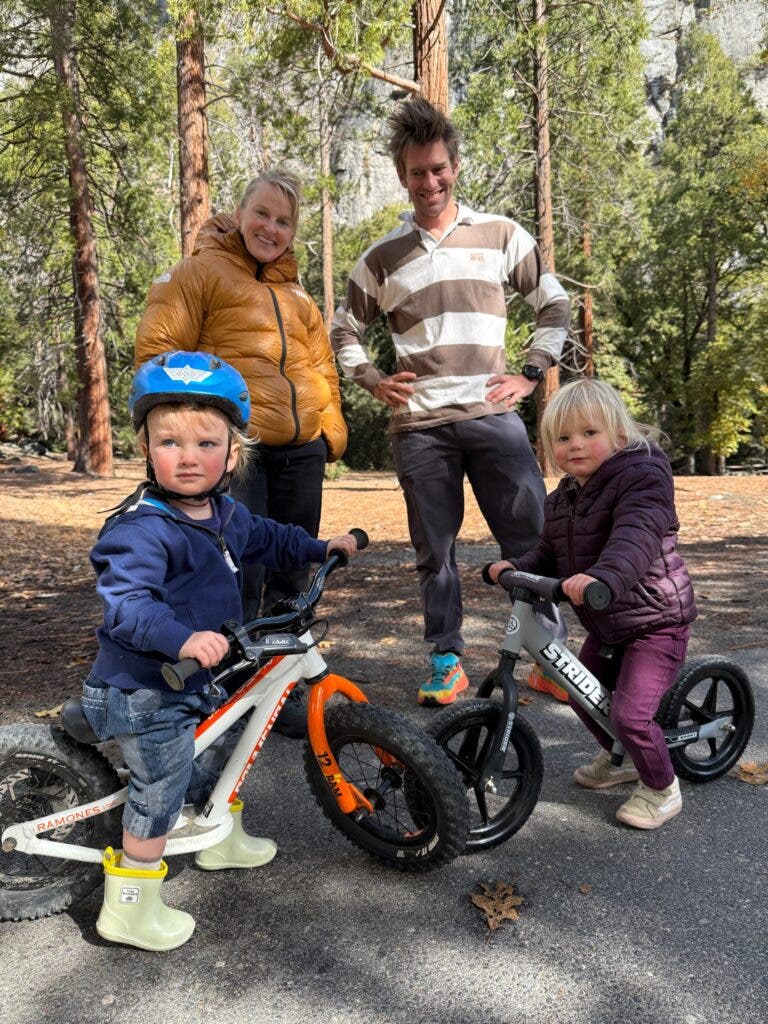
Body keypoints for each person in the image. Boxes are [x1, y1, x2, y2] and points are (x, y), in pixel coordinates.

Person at [81, 351, 358, 950]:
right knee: (161, 785)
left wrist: (320, 546)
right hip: (146, 686)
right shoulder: (139, 527)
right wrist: (180, 637)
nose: (188, 456)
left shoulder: (224, 512)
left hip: (199, 676)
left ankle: (216, 837)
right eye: (169, 442)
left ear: (234, 453)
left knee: (229, 741)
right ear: (146, 449)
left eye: (206, 443)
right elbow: (128, 604)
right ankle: (128, 906)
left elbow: (269, 538)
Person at [331, 97, 570, 706]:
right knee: (434, 552)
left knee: (531, 542)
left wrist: (531, 373)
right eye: (417, 172)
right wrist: (371, 380)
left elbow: (554, 303)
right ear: (401, 175)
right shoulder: (380, 257)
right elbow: (343, 330)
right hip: (420, 428)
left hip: (494, 417)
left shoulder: (500, 235)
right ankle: (446, 658)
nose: (429, 182)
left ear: (455, 166)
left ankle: (546, 655)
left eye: (438, 168)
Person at [135, 168, 347, 738]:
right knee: (235, 569)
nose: (271, 228)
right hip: (239, 451)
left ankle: (279, 687)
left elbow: (319, 364)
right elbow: (158, 352)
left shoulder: (298, 295)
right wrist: (195, 437)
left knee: (292, 568)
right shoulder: (199, 272)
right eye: (262, 214)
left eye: (283, 221)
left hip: (300, 450)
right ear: (239, 211)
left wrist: (329, 428)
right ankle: (225, 687)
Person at [488, 378, 697, 830]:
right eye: (563, 438)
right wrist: (513, 566)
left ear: (619, 437)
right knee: (581, 693)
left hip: (655, 620)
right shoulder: (564, 497)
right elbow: (545, 551)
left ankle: (662, 787)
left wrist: (604, 577)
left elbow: (635, 539)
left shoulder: (644, 478)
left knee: (631, 714)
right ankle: (621, 759)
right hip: (608, 621)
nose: (575, 445)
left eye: (589, 433)